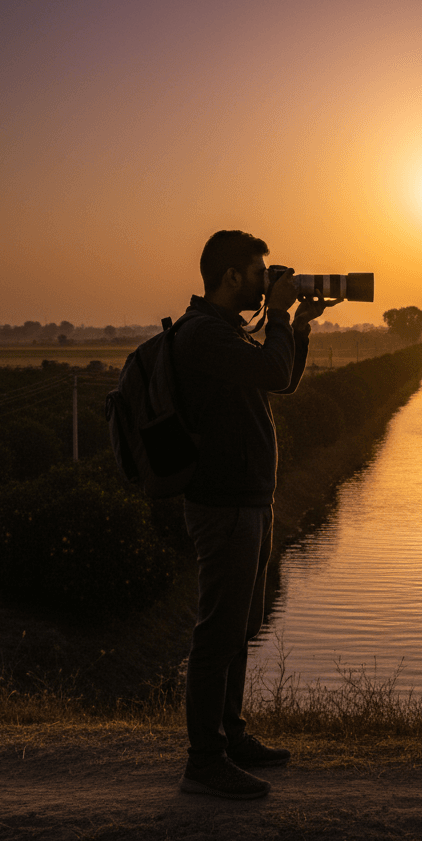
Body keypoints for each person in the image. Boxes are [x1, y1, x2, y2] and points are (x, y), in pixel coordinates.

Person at [174, 229, 330, 800]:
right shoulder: (202, 336)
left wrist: (299, 324)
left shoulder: (226, 333)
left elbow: (280, 379)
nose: (268, 282)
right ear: (233, 276)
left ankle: (230, 736)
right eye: (261, 272)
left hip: (248, 498)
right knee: (218, 631)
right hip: (223, 503)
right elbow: (270, 373)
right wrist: (283, 316)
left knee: (240, 624)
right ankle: (203, 762)